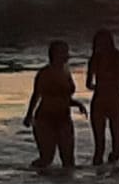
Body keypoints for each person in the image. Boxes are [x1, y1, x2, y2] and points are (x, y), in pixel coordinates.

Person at [24, 40, 87, 169]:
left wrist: (77, 104)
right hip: (45, 119)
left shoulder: (66, 72)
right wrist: (29, 115)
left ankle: (66, 183)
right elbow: (37, 95)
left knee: (69, 161)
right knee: (46, 158)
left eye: (66, 51)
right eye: (63, 52)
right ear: (54, 54)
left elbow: (64, 97)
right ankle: (30, 177)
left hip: (64, 118)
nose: (67, 55)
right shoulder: (44, 73)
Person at [86, 29, 119, 166]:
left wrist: (101, 86)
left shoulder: (94, 59)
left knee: (99, 147)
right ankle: (112, 173)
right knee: (117, 147)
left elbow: (89, 85)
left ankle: (98, 176)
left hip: (99, 100)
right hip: (116, 100)